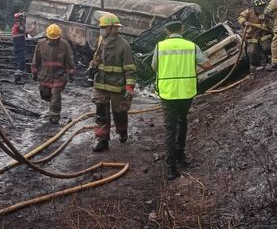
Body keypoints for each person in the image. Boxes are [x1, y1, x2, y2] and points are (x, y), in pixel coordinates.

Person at [151, 21, 212, 180]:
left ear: (167, 31)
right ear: (182, 29)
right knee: (182, 121)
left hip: (167, 92)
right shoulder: (191, 46)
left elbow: (154, 67)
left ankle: (171, 168)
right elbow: (207, 65)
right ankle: (180, 155)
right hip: (186, 92)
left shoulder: (160, 46)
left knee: (169, 128)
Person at [89, 13, 137, 152]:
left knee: (120, 112)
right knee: (101, 113)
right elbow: (96, 58)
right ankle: (102, 140)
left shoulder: (124, 46)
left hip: (117, 86)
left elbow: (130, 68)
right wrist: (93, 65)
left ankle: (122, 131)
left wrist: (129, 88)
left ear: (112, 28)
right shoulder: (100, 41)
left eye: (104, 27)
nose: (101, 30)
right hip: (100, 83)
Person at [31, 24, 75, 124]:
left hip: (59, 75)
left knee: (55, 95)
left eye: (55, 39)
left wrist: (71, 72)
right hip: (45, 74)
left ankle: (54, 116)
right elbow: (36, 59)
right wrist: (34, 72)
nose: (53, 41)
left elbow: (69, 59)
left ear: (59, 37)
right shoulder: (41, 44)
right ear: (47, 37)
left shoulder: (64, 45)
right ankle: (52, 108)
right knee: (45, 94)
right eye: (51, 39)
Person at [238, 0, 272, 68]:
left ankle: (269, 59)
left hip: (262, 34)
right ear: (254, 7)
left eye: (262, 7)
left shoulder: (264, 13)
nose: (261, 9)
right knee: (252, 52)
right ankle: (257, 65)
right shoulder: (248, 12)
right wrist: (244, 22)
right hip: (252, 35)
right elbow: (240, 18)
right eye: (259, 8)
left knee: (267, 47)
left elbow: (267, 24)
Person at [11, 12, 29, 84]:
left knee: (21, 62)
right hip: (19, 47)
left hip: (18, 47)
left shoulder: (16, 26)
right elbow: (26, 31)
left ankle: (18, 78)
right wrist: (34, 27)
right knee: (21, 62)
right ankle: (17, 79)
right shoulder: (18, 26)